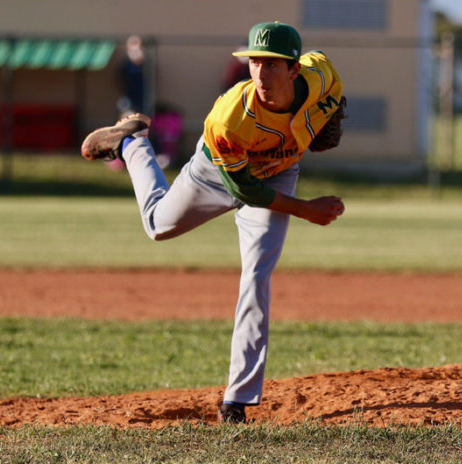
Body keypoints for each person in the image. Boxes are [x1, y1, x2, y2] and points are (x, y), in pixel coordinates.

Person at [81, 21, 346, 423]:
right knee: (157, 225)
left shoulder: (321, 75)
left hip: (277, 172)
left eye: (272, 64)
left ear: (295, 69)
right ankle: (132, 142)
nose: (260, 73)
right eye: (255, 62)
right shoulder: (229, 118)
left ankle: (236, 400)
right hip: (216, 172)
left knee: (257, 274)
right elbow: (245, 191)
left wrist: (327, 125)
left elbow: (335, 99)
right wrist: (305, 209)